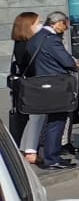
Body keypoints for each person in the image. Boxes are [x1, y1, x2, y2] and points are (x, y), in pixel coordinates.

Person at [26, 12, 79, 169]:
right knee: (57, 121)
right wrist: (74, 63)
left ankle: (50, 156)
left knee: (50, 121)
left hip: (42, 84)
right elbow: (67, 61)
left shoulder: (35, 38)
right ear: (57, 23)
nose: (66, 28)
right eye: (65, 24)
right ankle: (52, 158)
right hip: (57, 85)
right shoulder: (53, 40)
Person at [9, 12, 45, 165]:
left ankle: (25, 148)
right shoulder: (28, 45)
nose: (41, 25)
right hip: (33, 84)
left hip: (27, 85)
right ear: (28, 26)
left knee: (34, 118)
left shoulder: (20, 43)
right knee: (37, 117)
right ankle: (30, 151)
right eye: (38, 22)